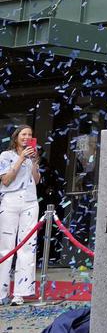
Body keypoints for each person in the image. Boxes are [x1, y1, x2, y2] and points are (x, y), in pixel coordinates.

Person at [0, 126, 41, 306]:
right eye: (24, 134)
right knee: (6, 247)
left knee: (27, 245)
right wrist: (20, 159)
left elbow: (37, 180)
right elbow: (6, 180)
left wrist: (33, 162)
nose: (27, 137)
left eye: (30, 134)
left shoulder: (32, 156)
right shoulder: (5, 156)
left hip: (30, 201)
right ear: (16, 137)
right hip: (10, 200)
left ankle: (21, 292)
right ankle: (1, 291)